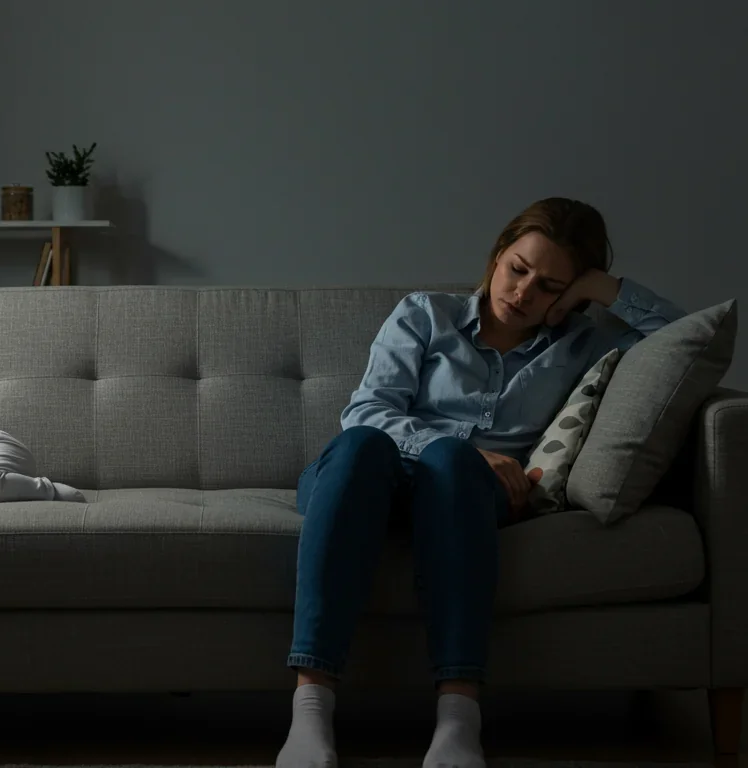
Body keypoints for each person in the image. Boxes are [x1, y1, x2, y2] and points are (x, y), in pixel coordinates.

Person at [275, 198, 688, 768]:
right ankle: (311, 713)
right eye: (518, 269)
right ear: (497, 256)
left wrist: (604, 286)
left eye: (549, 285)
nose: (523, 293)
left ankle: (458, 721)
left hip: (462, 497)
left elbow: (682, 341)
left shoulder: (585, 345)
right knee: (362, 445)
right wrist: (469, 450)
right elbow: (368, 411)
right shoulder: (424, 314)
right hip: (369, 477)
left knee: (449, 466)